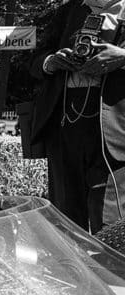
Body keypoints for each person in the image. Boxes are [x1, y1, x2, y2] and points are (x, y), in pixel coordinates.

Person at [29, 0, 125, 232]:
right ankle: (71, 269)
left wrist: (122, 56)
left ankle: (111, 269)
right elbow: (34, 59)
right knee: (66, 223)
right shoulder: (67, 10)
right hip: (63, 124)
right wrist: (50, 62)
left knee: (110, 222)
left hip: (116, 127)